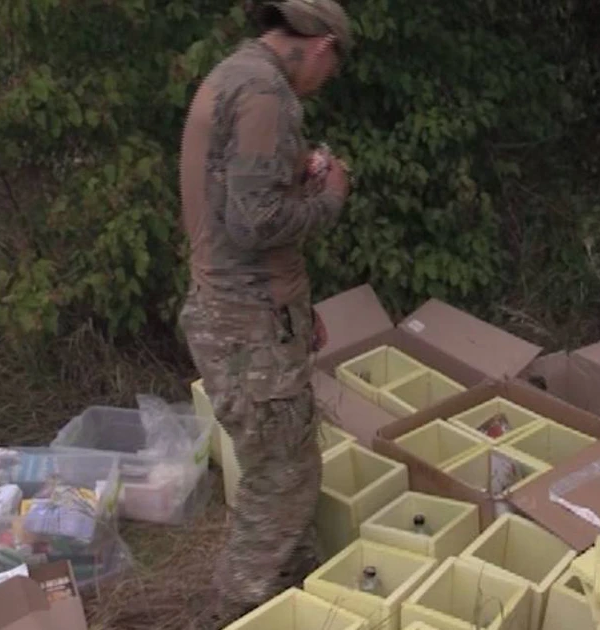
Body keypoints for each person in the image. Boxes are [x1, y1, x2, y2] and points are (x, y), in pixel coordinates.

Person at [176, 0, 352, 622]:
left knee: (285, 465)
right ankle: (233, 610)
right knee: (281, 480)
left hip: (239, 311)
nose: (323, 80)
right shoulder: (267, 95)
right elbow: (257, 223)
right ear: (323, 45)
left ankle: (296, 591)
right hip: (248, 324)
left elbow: (236, 208)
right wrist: (330, 197)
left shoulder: (230, 76)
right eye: (330, 68)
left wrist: (296, 307)